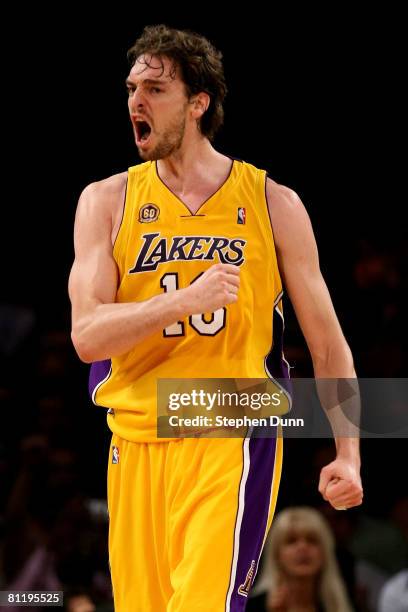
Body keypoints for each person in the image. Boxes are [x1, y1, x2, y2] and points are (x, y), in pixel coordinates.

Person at [68, 24, 363, 611]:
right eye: (131, 88)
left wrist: (349, 451)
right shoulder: (106, 200)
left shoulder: (272, 201)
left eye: (154, 88)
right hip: (135, 435)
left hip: (231, 424)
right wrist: (180, 302)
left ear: (199, 102)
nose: (135, 102)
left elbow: (328, 346)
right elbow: (86, 336)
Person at [247, 507, 354, 611]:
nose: (303, 548)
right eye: (291, 541)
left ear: (325, 552)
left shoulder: (338, 605)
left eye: (312, 540)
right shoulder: (248, 606)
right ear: (276, 554)